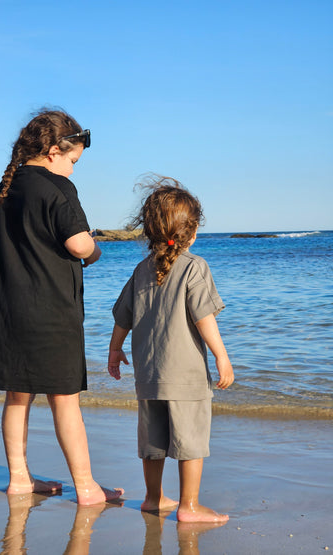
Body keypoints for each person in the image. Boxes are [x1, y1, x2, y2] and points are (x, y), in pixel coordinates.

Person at [0, 108, 123, 504]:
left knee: (17, 397)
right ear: (52, 152)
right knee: (65, 401)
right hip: (50, 310)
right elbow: (79, 244)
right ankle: (86, 488)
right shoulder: (57, 187)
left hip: (9, 310)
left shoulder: (5, 187)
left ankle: (19, 480)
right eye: (73, 161)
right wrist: (95, 251)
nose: (73, 170)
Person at [108, 176, 234, 522]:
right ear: (191, 233)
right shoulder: (195, 266)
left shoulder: (141, 269)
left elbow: (123, 317)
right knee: (190, 441)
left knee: (154, 442)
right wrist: (222, 356)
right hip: (186, 377)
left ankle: (153, 499)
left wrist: (114, 351)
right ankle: (189, 507)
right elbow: (204, 317)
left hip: (148, 376)